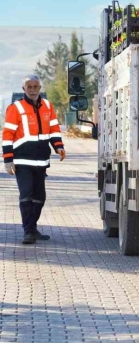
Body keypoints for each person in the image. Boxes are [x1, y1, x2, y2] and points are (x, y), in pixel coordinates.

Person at [3, 75, 66, 245]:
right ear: (24, 89)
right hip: (22, 161)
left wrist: (58, 146)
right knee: (27, 196)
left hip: (41, 161)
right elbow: (7, 135)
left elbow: (53, 129)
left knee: (40, 197)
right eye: (29, 87)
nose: (32, 90)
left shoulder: (47, 106)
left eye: (35, 86)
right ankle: (28, 231)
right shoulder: (15, 108)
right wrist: (8, 159)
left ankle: (32, 228)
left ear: (40, 88)